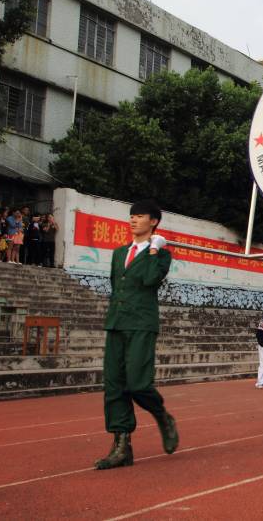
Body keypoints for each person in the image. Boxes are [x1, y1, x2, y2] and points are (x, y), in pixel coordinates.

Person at [95, 200, 177, 470]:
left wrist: (154, 248)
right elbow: (116, 285)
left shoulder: (161, 254)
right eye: (132, 216)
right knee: (114, 385)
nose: (133, 220)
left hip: (141, 323)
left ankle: (161, 415)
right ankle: (121, 446)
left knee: (138, 383)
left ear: (153, 221)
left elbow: (151, 280)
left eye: (139, 216)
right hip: (117, 323)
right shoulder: (119, 253)